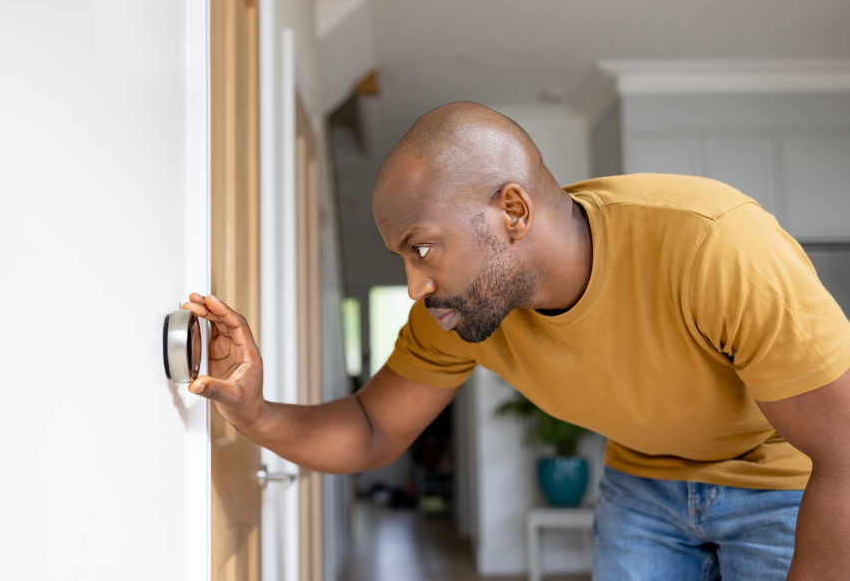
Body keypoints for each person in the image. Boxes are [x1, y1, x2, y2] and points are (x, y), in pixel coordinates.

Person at [183, 102, 850, 580]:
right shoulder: (459, 310)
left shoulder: (712, 244)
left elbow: (844, 454)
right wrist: (255, 410)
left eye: (422, 247)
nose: (415, 286)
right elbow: (369, 429)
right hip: (643, 483)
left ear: (512, 212)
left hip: (786, 483)